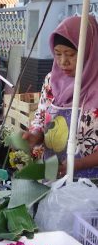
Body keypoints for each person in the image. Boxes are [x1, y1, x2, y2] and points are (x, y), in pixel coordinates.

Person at [23, 15, 98, 179]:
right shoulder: (51, 80)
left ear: (89, 50)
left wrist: (78, 164)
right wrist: (35, 135)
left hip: (90, 184)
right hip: (52, 175)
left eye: (70, 54)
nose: (63, 62)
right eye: (57, 54)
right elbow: (41, 119)